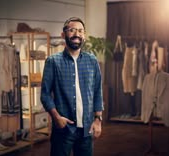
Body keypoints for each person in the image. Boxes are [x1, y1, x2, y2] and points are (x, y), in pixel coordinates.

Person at [40, 17, 103, 156]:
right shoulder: (53, 62)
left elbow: (98, 91)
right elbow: (45, 94)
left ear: (84, 36)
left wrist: (98, 120)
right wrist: (56, 117)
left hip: (86, 130)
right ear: (63, 35)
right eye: (72, 30)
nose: (77, 34)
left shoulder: (92, 60)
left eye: (80, 31)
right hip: (63, 129)